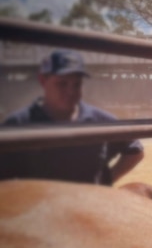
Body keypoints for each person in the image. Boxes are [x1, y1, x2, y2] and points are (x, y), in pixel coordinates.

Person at [0, 49, 144, 185]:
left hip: (87, 206)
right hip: (41, 207)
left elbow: (135, 150)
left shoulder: (101, 120)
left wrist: (106, 181)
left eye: (77, 84)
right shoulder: (19, 122)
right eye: (62, 84)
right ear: (43, 81)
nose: (71, 91)